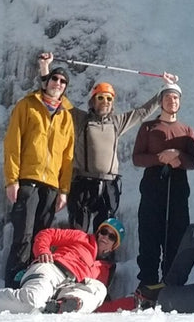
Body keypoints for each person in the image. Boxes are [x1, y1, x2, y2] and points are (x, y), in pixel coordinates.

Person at [38, 52, 176, 233]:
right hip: (82, 185)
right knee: (78, 233)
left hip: (109, 187)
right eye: (100, 97)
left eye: (109, 98)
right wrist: (45, 68)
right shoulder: (80, 119)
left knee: (105, 237)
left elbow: (142, 112)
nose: (105, 101)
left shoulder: (117, 122)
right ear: (93, 101)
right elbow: (54, 97)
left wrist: (167, 87)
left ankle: (102, 261)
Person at [0, 219, 124, 315]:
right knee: (33, 302)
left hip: (70, 288)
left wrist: (137, 304)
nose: (104, 237)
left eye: (111, 237)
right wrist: (42, 250)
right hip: (52, 269)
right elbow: (47, 234)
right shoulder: (81, 237)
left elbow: (100, 304)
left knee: (99, 288)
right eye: (103, 231)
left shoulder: (104, 269)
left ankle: (64, 306)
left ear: (113, 246)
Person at [2, 60, 75, 287]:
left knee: (41, 238)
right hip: (28, 181)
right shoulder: (27, 106)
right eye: (54, 78)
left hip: (51, 186)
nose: (58, 83)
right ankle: (13, 285)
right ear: (46, 81)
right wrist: (12, 180)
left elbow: (67, 157)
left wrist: (64, 190)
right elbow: (13, 143)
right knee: (23, 235)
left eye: (63, 81)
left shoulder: (66, 117)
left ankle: (32, 284)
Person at [132, 83, 194, 289]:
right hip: (153, 187)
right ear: (161, 101)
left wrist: (178, 155)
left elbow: (193, 162)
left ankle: (172, 283)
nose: (173, 101)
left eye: (176, 98)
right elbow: (137, 158)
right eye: (168, 97)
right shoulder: (148, 127)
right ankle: (147, 284)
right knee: (149, 236)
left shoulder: (186, 130)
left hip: (178, 189)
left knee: (176, 237)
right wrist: (162, 159)